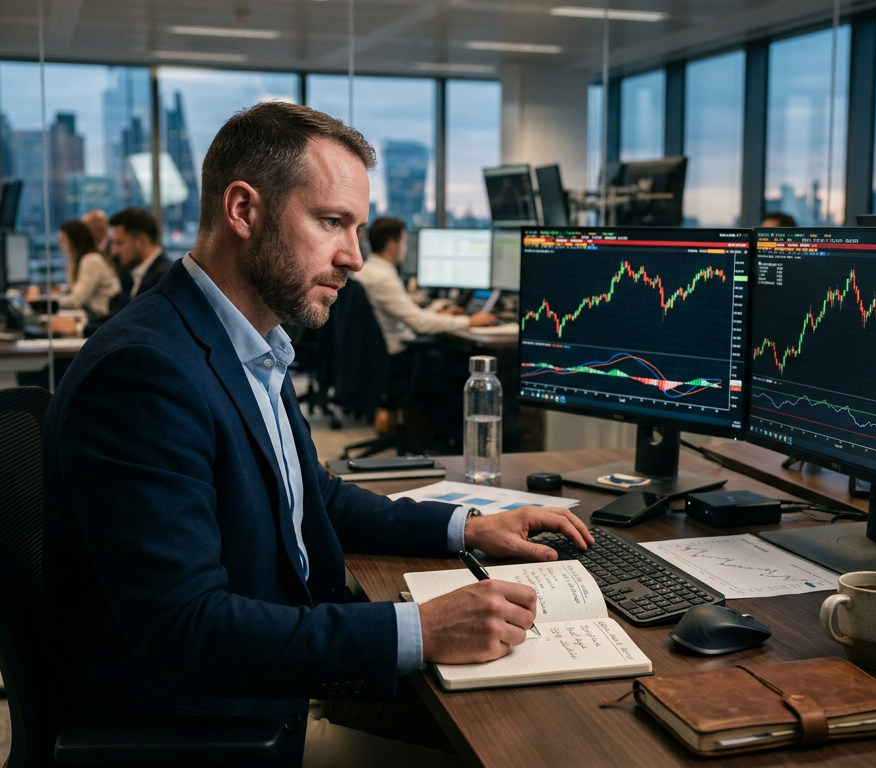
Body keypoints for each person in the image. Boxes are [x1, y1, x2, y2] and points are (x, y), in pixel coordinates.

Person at [42, 101, 593, 768]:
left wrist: (465, 528)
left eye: (357, 228)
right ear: (243, 211)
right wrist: (419, 629)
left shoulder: (248, 343)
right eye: (331, 221)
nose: (354, 257)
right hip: (215, 729)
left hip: (274, 688)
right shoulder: (146, 370)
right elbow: (186, 633)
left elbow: (315, 499)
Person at [354, 217, 497, 358]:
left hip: (379, 351)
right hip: (397, 355)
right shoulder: (382, 279)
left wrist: (438, 313)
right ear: (392, 245)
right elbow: (420, 324)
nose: (406, 248)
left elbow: (410, 314)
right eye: (404, 242)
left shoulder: (368, 271)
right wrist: (469, 321)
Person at [55, 219, 121, 316]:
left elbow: (77, 300)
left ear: (74, 241)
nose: (60, 246)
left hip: (100, 318)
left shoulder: (91, 260)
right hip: (95, 316)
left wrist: (48, 301)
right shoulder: (83, 260)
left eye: (63, 241)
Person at [108, 207, 172, 304]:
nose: (114, 251)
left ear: (142, 240)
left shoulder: (162, 277)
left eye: (120, 243)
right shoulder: (136, 273)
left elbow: (129, 317)